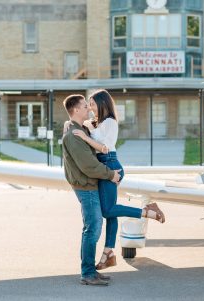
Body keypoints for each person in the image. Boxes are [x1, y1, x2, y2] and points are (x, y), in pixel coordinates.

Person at [64, 89, 165, 271]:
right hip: (104, 166)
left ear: (102, 104)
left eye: (92, 104)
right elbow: (75, 121)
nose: (90, 108)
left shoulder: (110, 122)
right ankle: (108, 254)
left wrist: (86, 137)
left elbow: (104, 148)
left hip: (110, 164)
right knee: (110, 211)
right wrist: (69, 124)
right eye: (87, 105)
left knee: (108, 210)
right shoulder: (96, 123)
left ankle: (148, 211)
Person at [62, 94, 121, 286]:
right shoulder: (74, 134)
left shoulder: (78, 129)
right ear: (76, 110)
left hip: (89, 185)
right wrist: (110, 174)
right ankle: (87, 273)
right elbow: (88, 165)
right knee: (92, 229)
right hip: (86, 187)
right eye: (85, 106)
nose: (89, 108)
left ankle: (89, 271)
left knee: (93, 228)